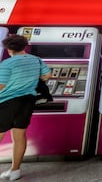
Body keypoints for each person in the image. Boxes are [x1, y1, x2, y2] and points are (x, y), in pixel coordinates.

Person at [0, 35, 51, 181]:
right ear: (24, 47)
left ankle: (13, 171)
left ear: (9, 49)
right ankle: (15, 171)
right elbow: (47, 75)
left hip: (7, 102)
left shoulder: (7, 63)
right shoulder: (36, 60)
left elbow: (1, 85)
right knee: (19, 135)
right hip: (28, 101)